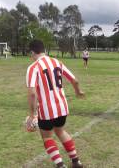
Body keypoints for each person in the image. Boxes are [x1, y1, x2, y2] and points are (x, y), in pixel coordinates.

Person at [25, 40, 85, 168]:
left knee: (47, 137)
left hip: (46, 111)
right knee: (61, 131)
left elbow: (32, 94)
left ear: (32, 52)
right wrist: (78, 91)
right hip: (62, 108)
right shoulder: (57, 62)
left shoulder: (33, 67)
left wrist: (32, 114)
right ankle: (76, 161)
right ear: (44, 50)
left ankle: (60, 165)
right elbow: (74, 80)